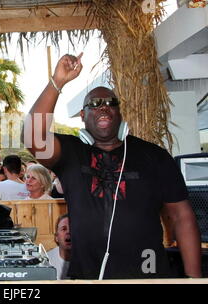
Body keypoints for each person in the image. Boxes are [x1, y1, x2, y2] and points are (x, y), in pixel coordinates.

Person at [23, 53, 202, 279]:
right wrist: (57, 82)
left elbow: (182, 217)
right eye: (95, 104)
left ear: (119, 113)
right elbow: (31, 137)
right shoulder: (71, 152)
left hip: (148, 274)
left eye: (110, 103)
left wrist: (195, 280)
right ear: (82, 115)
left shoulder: (154, 156)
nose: (103, 107)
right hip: (89, 275)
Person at [47, 214, 71, 280]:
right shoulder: (47, 260)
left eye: (72, 228)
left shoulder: (88, 260)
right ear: (56, 237)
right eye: (64, 229)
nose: (69, 232)